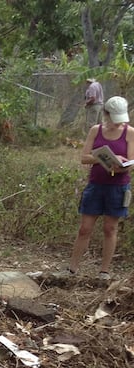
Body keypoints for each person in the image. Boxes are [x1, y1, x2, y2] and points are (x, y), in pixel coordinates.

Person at [67, 96, 132, 280]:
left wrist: (122, 162)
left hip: (118, 186)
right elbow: (84, 157)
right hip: (96, 184)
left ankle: (104, 271)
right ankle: (72, 268)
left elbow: (130, 161)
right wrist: (102, 157)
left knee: (110, 228)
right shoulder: (96, 131)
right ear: (106, 114)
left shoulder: (129, 132)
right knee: (85, 228)